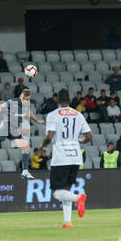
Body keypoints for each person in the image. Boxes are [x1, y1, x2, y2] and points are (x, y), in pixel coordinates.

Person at [39, 89, 91, 228]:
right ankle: (67, 221)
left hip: (61, 156)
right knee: (65, 191)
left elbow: (49, 136)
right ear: (70, 100)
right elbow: (89, 137)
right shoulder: (78, 115)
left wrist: (41, 147)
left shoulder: (53, 115)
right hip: (75, 156)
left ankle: (78, 198)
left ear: (57, 100)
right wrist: (79, 141)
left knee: (56, 193)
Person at [0, 89, 45, 180]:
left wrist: (36, 120)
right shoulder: (13, 101)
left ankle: (25, 172)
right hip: (6, 126)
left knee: (26, 148)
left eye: (27, 99)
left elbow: (28, 112)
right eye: (24, 98)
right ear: (21, 96)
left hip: (14, 130)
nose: (25, 101)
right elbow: (0, 107)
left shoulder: (25, 105)